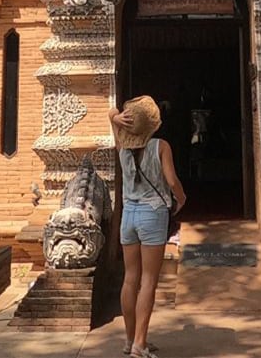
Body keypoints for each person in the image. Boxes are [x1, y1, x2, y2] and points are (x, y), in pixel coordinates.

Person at [109, 95, 186, 358]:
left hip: (128, 215)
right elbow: (172, 181)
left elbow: (111, 115)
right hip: (152, 214)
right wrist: (182, 198)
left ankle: (131, 340)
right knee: (149, 281)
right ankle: (140, 344)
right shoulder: (160, 146)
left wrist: (114, 117)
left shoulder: (122, 147)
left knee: (130, 279)